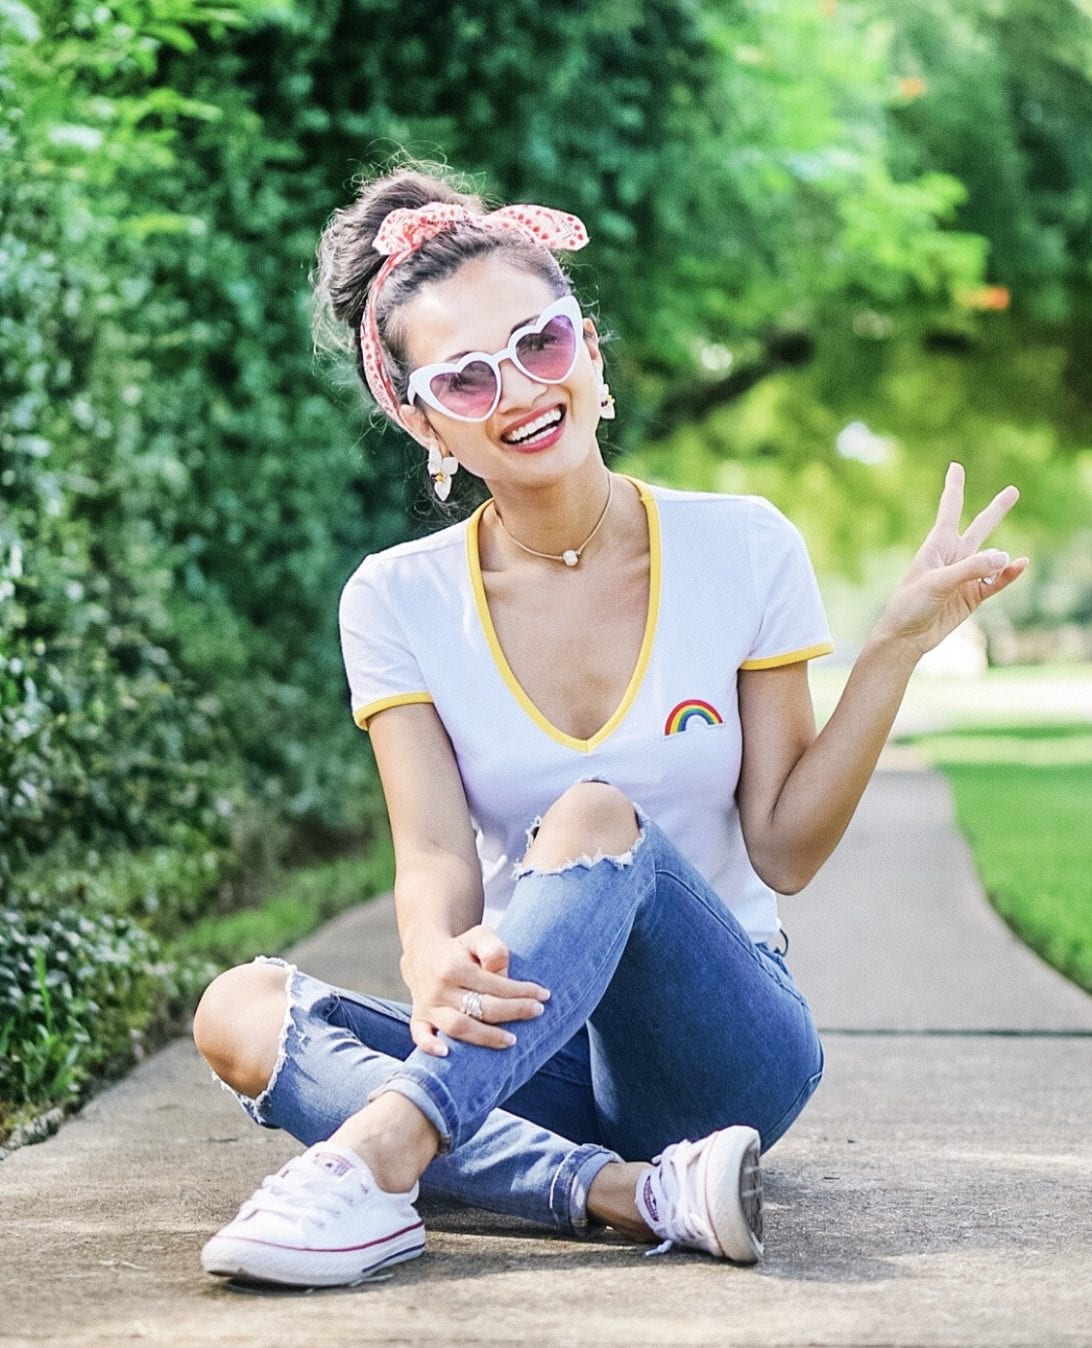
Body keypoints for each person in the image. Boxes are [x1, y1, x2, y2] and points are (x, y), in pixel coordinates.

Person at [192, 166, 1026, 1288]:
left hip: (721, 1049)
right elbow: (434, 854)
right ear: (418, 414)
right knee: (238, 1007)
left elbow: (783, 845)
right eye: (467, 377)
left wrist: (892, 651)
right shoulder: (394, 599)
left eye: (539, 344)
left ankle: (381, 1154)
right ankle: (631, 1192)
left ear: (587, 345)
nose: (520, 391)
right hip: (527, 1043)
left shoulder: (743, 545)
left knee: (590, 809)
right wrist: (436, 962)